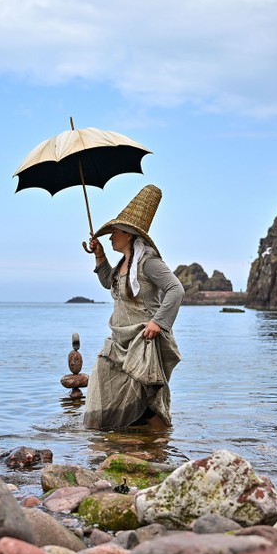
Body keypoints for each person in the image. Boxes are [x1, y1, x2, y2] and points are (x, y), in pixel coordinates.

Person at [83, 184, 184, 430]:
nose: (110, 237)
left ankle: (161, 443)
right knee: (103, 373)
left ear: (128, 234)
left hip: (145, 339)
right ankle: (121, 436)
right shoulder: (123, 264)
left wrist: (158, 322)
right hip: (120, 339)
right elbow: (110, 282)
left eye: (114, 232)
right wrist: (99, 254)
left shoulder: (148, 263)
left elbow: (176, 290)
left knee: (146, 399)